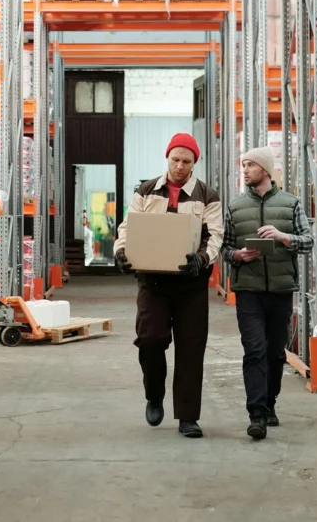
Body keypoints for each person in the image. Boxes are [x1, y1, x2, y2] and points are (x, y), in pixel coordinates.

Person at [113, 133, 224, 439]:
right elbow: (128, 226)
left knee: (190, 349)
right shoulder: (147, 190)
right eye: (175, 159)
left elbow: (215, 235)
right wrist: (121, 252)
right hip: (153, 282)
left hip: (190, 284)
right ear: (167, 158)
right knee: (150, 339)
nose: (179, 166)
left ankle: (188, 417)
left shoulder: (207, 195)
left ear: (194, 163)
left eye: (186, 161)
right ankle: (154, 394)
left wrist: (202, 260)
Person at [221, 146, 313, 440]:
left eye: (249, 165)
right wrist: (238, 256)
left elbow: (308, 242)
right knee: (255, 351)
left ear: (265, 169)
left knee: (275, 353)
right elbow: (225, 248)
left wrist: (284, 237)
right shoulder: (235, 207)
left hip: (281, 290)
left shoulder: (291, 204)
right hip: (248, 290)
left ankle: (270, 402)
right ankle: (257, 414)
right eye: (243, 165)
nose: (244, 169)